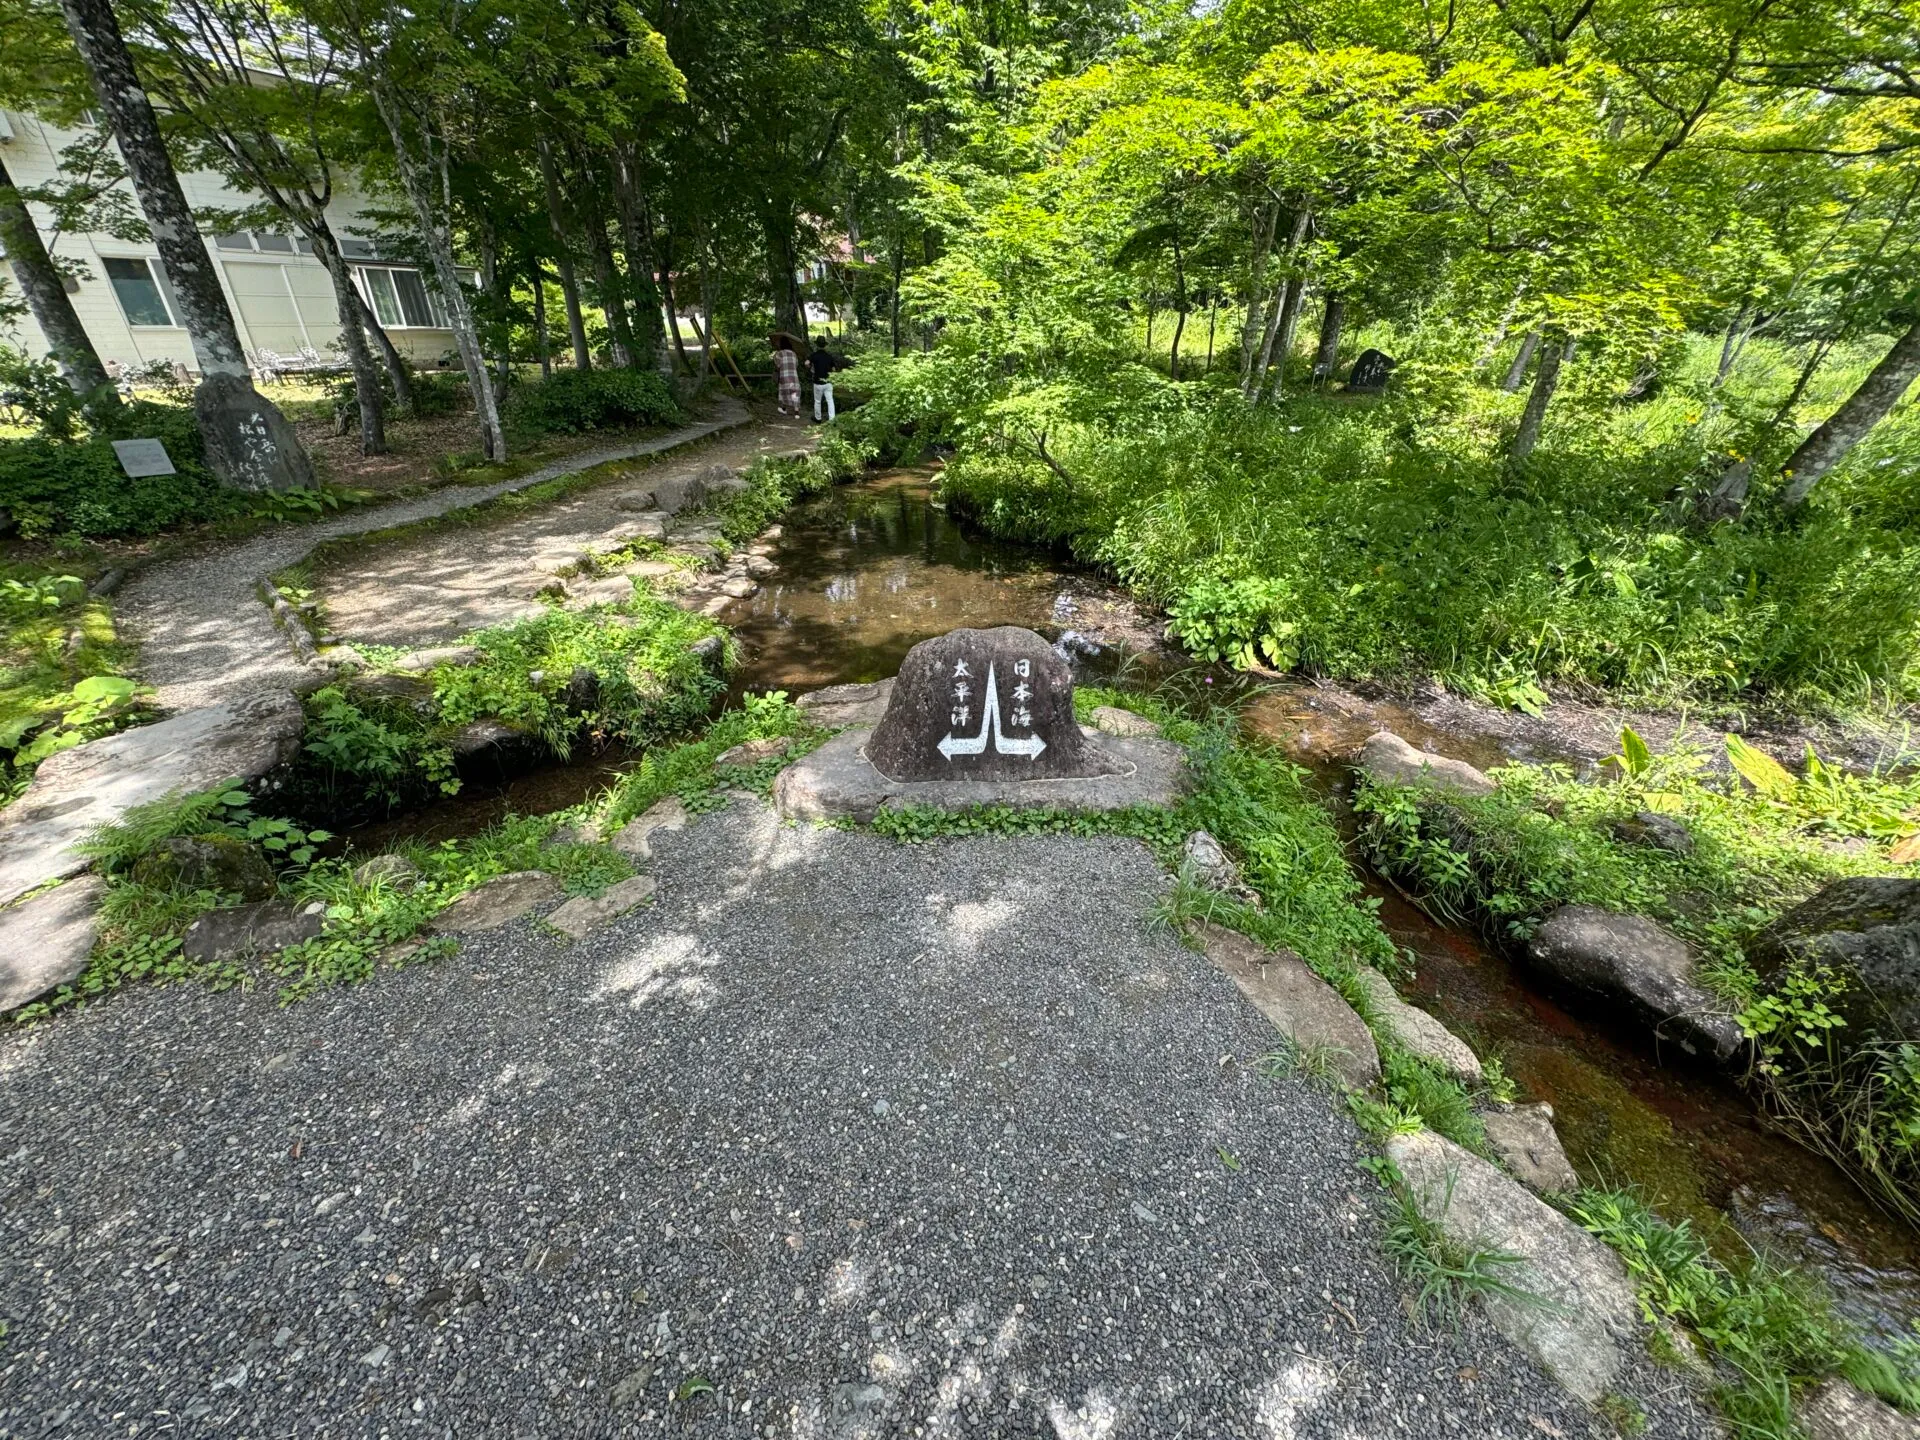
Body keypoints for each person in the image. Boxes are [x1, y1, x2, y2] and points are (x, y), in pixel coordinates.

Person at [808, 334, 839, 423]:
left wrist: (810, 367)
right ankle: (832, 419)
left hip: (817, 382)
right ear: (825, 345)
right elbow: (834, 369)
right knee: (830, 400)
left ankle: (818, 418)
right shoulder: (829, 356)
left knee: (817, 401)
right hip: (828, 382)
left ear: (817, 345)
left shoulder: (814, 355)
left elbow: (806, 363)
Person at [769, 333, 801, 417]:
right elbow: (796, 365)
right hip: (794, 376)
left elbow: (778, 366)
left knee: (784, 392)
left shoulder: (779, 354)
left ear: (781, 344)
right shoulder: (794, 354)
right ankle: (796, 412)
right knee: (794, 392)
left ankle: (783, 408)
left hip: (784, 376)